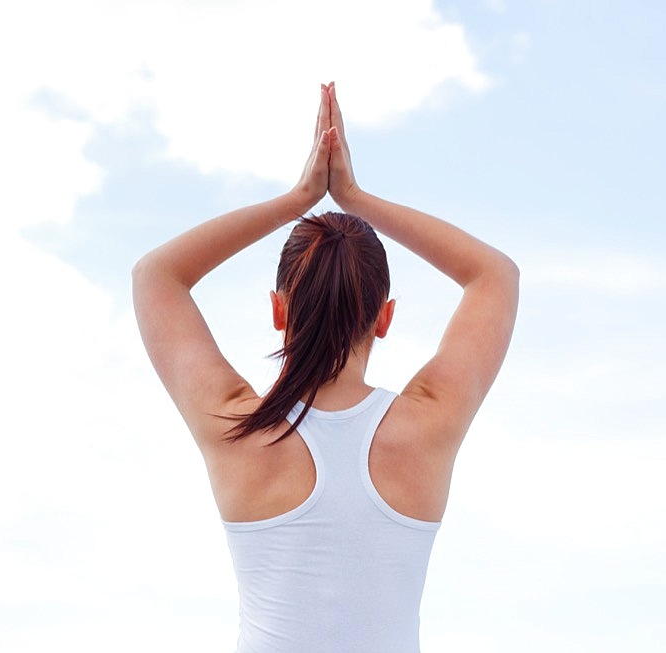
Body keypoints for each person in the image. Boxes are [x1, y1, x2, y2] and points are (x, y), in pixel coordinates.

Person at [132, 82, 519, 653]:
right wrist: (355, 197)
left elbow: (155, 276)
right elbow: (495, 275)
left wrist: (300, 198)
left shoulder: (238, 427)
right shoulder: (427, 424)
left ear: (277, 309)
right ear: (383, 318)